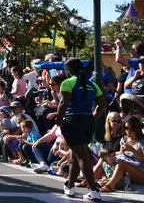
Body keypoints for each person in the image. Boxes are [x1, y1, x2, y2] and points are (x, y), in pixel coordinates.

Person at [56, 58, 107, 201]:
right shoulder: (92, 84)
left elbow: (63, 102)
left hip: (72, 121)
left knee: (82, 157)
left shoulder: (67, 83)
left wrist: (58, 120)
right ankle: (70, 186)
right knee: (75, 155)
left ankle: (94, 191)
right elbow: (102, 103)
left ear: (68, 70)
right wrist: (93, 118)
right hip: (88, 121)